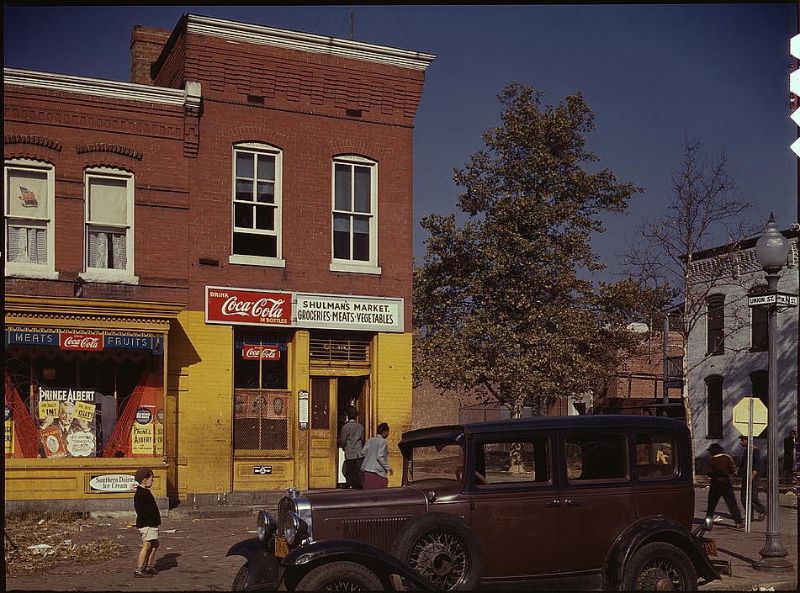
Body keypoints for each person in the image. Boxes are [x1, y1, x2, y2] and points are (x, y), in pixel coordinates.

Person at [706, 443, 743, 528]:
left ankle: (708, 521)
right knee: (731, 503)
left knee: (711, 504)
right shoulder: (727, 457)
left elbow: (709, 473)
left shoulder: (711, 460)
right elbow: (733, 469)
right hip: (726, 483)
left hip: (715, 483)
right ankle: (738, 521)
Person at [133, 467, 161, 578]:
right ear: (144, 480)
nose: (152, 481)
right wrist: (151, 521)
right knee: (147, 544)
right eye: (151, 478)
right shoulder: (142, 493)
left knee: (155, 544)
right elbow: (143, 510)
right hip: (147, 524)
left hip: (149, 523)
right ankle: (140, 569)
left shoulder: (142, 492)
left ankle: (148, 565)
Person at [738, 436, 766, 522]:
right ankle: (749, 515)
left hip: (752, 477)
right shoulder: (746, 451)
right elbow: (743, 464)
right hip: (745, 476)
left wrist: (753, 475)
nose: (740, 442)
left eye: (742, 440)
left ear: (747, 440)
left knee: (753, 496)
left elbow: (757, 464)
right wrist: (738, 472)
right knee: (743, 497)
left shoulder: (755, 450)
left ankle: (762, 511)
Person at [338, 406, 364, 489]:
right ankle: (358, 484)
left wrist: (343, 447)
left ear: (348, 416)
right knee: (357, 469)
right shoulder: (360, 426)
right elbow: (362, 438)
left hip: (349, 450)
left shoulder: (345, 427)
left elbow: (343, 440)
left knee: (349, 469)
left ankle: (349, 483)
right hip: (358, 451)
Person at [361, 423, 392, 489]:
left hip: (367, 469)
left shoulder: (370, 440)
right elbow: (379, 456)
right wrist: (388, 468)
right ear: (384, 432)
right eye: (387, 432)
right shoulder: (383, 441)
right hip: (378, 471)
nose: (388, 434)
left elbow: (363, 452)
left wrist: (370, 456)